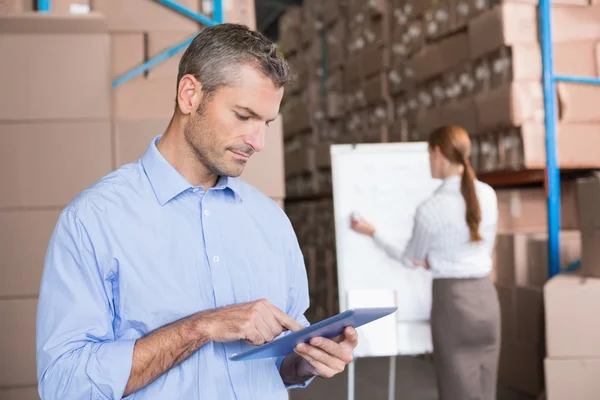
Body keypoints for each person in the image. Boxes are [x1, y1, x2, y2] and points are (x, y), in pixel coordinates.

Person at [36, 23, 357, 400]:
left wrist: (308, 360)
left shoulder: (270, 221)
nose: (259, 142)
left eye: (266, 123)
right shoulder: (93, 220)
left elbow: (277, 365)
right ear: (190, 95)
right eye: (243, 116)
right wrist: (203, 326)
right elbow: (63, 384)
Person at [350, 125, 500, 400]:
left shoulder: (431, 209)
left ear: (438, 152)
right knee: (485, 392)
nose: (428, 161)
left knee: (457, 392)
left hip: (455, 306)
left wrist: (374, 233)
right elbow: (483, 246)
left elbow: (409, 259)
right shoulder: (488, 194)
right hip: (487, 302)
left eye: (429, 154)